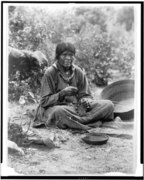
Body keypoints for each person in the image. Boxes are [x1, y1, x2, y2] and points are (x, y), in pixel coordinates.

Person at [32, 42, 114, 131]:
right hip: (57, 108)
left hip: (75, 108)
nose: (68, 58)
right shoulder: (50, 73)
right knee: (59, 112)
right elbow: (44, 102)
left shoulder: (78, 71)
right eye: (64, 55)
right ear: (57, 56)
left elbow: (86, 95)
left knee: (109, 105)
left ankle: (76, 121)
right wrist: (62, 94)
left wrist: (85, 100)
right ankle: (86, 120)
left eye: (71, 55)